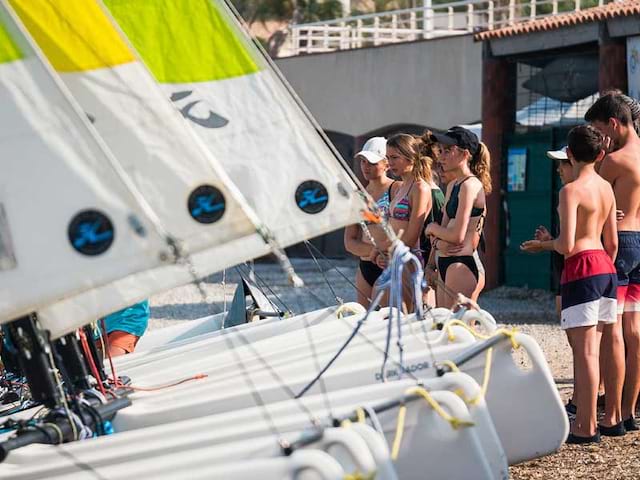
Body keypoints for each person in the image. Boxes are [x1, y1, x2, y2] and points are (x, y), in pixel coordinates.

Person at [522, 125, 617, 443]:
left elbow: (567, 246)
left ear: (571, 155)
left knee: (585, 354)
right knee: (596, 349)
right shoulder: (606, 187)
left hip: (582, 269)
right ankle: (592, 422)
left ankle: (585, 427)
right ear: (600, 154)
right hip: (605, 267)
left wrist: (544, 245)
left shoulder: (571, 191)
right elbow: (611, 241)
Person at [586, 93, 640, 432]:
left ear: (613, 124)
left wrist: (599, 158)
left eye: (598, 128)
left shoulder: (614, 160)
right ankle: (631, 412)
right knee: (635, 331)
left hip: (620, 242)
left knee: (613, 332)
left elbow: (591, 195)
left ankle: (613, 416)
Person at [425, 126, 490, 308]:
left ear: (465, 154)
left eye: (448, 151)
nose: (441, 157)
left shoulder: (470, 185)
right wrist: (431, 264)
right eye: (441, 151)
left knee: (460, 330)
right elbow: (444, 229)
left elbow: (456, 236)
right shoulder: (454, 185)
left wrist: (431, 229)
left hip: (462, 265)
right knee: (443, 328)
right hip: (444, 262)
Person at [375, 132, 432, 311]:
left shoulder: (420, 188)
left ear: (411, 157)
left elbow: (412, 233)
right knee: (386, 311)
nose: (390, 163)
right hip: (395, 256)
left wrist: (381, 249)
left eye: (395, 157)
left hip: (410, 258)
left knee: (405, 315)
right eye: (388, 158)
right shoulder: (401, 187)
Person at [344, 137, 393, 308]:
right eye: (363, 161)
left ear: (387, 164)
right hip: (366, 265)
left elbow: (407, 231)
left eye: (372, 163)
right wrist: (374, 252)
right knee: (365, 320)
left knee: (388, 321)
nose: (366, 166)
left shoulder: (398, 189)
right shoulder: (359, 196)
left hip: (390, 264)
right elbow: (349, 241)